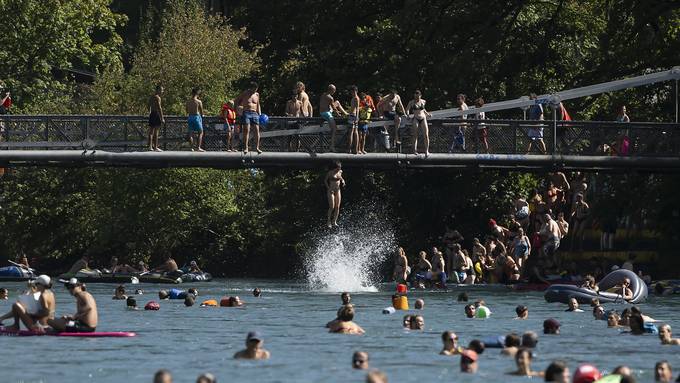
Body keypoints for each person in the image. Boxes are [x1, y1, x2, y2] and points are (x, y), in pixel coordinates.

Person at [234, 82, 262, 154]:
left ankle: (256, 147)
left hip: (255, 113)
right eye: (254, 89)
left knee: (256, 130)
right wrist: (236, 110)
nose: (255, 90)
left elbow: (258, 104)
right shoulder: (245, 93)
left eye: (256, 89)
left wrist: (260, 114)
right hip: (247, 112)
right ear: (251, 88)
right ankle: (245, 147)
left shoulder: (257, 94)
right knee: (246, 130)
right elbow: (236, 100)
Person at [319, 84, 346, 152]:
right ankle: (332, 146)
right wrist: (338, 114)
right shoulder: (330, 98)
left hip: (322, 112)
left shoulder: (323, 95)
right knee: (334, 129)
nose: (335, 91)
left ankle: (346, 113)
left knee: (337, 102)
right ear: (331, 90)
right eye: (334, 90)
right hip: (327, 113)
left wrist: (337, 112)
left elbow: (330, 105)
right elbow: (334, 108)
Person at [405, 90, 432, 156]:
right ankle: (414, 151)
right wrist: (408, 115)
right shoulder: (411, 102)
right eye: (415, 96)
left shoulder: (423, 101)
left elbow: (423, 109)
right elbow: (407, 109)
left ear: (420, 96)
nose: (417, 98)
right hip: (416, 118)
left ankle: (426, 151)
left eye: (418, 96)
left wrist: (427, 114)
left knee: (426, 135)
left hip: (423, 118)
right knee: (415, 135)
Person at [324, 161, 345, 228]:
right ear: (335, 168)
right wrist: (328, 188)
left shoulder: (340, 172)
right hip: (331, 190)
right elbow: (325, 181)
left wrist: (343, 181)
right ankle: (328, 221)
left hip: (338, 190)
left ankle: (334, 221)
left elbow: (341, 177)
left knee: (337, 207)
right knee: (332, 206)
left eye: (340, 168)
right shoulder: (330, 173)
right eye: (338, 168)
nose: (339, 169)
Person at [186, 87, 205, 152]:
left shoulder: (188, 101)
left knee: (191, 133)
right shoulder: (198, 101)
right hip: (196, 117)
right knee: (200, 132)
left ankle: (191, 148)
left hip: (190, 117)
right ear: (197, 93)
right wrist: (202, 115)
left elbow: (187, 111)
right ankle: (198, 147)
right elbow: (201, 111)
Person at [148, 85, 165, 152]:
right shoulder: (158, 97)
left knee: (151, 131)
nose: (162, 91)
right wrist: (162, 118)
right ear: (158, 90)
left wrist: (150, 112)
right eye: (161, 90)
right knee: (156, 131)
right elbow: (159, 107)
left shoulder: (151, 97)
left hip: (152, 113)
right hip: (156, 114)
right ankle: (155, 147)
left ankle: (150, 146)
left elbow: (148, 105)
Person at [347, 85, 360, 154]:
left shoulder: (356, 98)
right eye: (352, 91)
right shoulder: (353, 98)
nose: (353, 93)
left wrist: (357, 117)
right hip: (352, 115)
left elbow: (357, 108)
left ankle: (353, 149)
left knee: (352, 132)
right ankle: (353, 149)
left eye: (354, 91)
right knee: (353, 132)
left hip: (353, 116)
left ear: (356, 91)